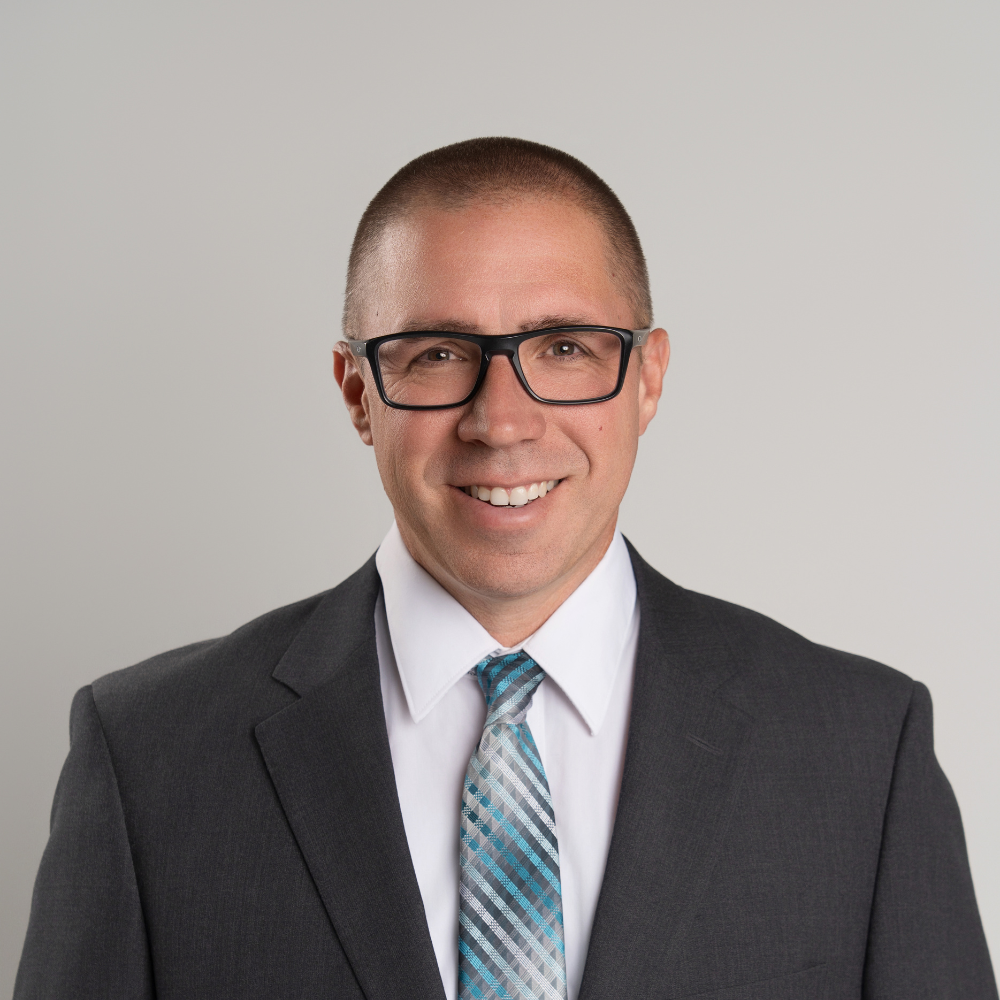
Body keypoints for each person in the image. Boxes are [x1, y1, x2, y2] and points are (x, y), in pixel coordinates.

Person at [14, 137, 996, 1000]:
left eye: (564, 347)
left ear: (647, 377)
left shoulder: (859, 750)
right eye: (438, 353)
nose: (501, 420)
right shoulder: (147, 757)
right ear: (358, 391)